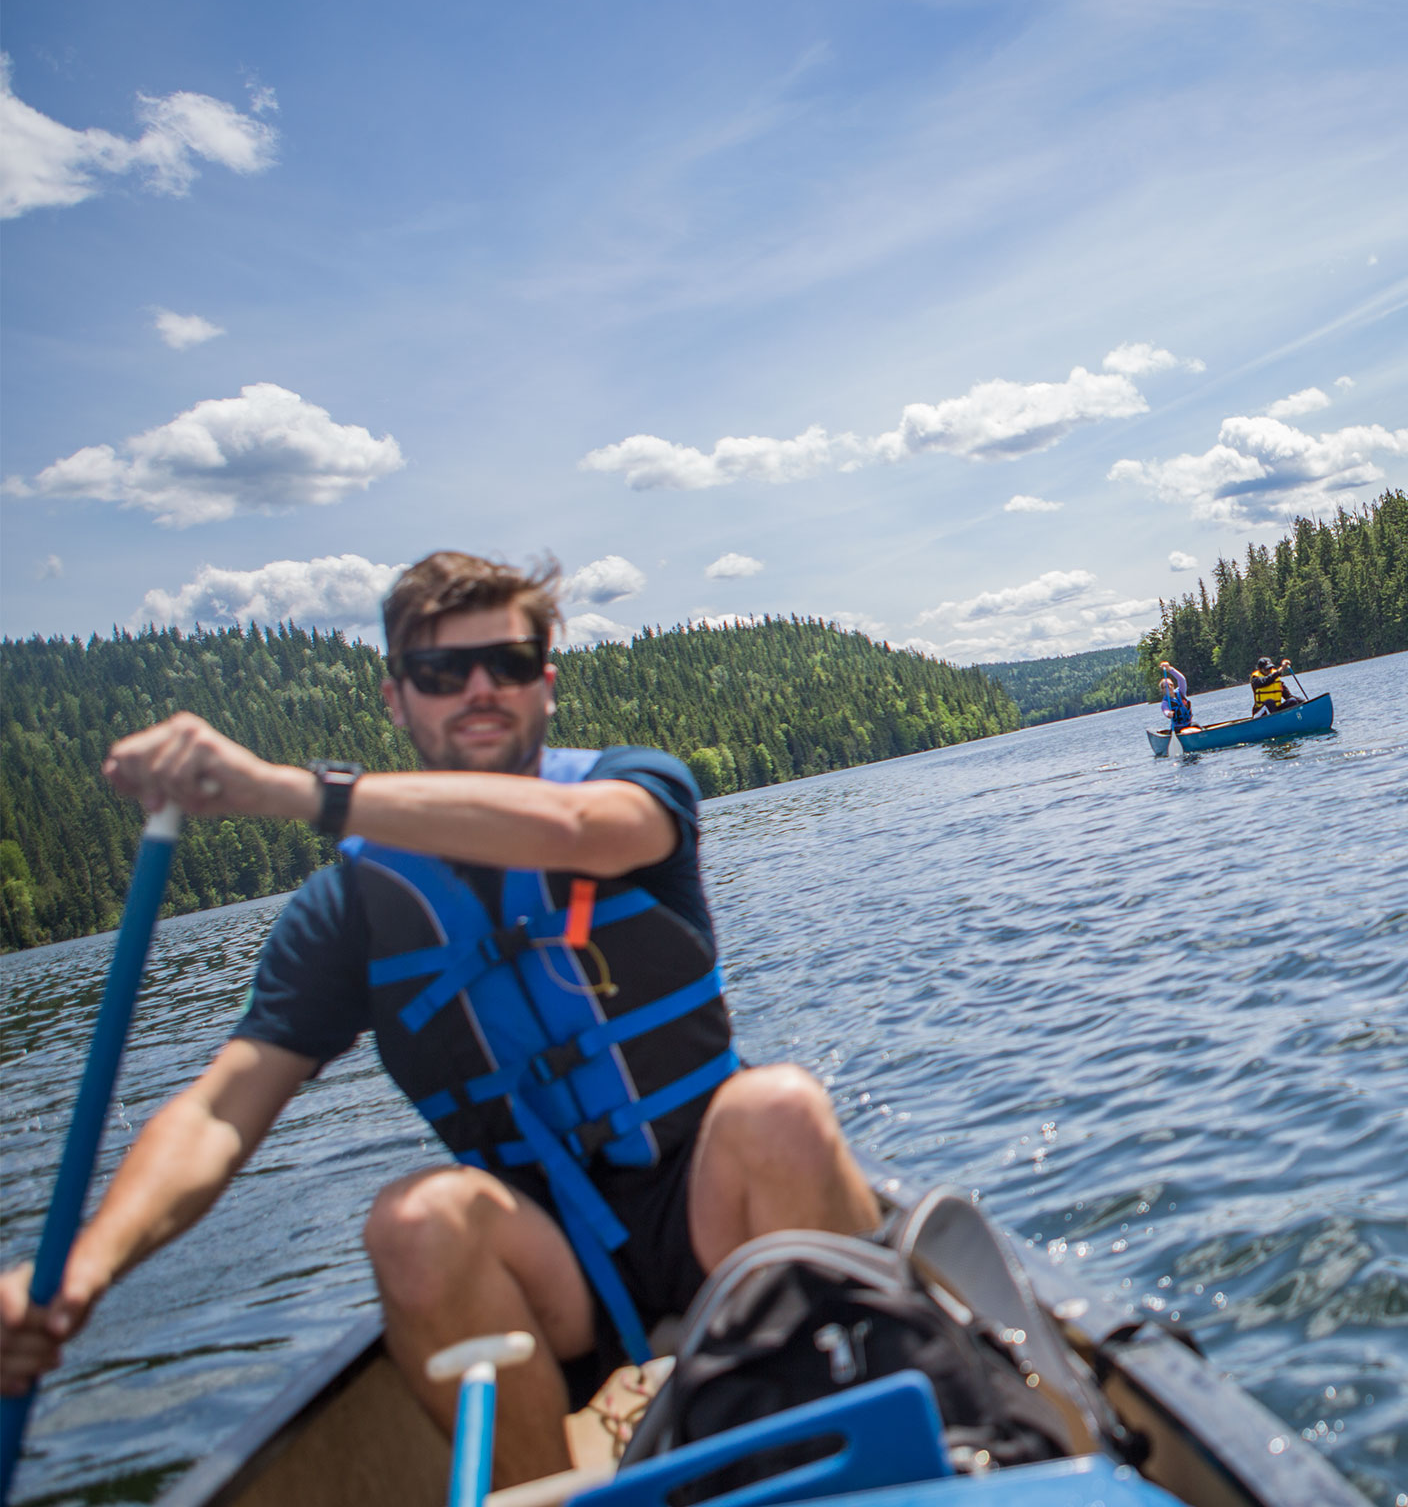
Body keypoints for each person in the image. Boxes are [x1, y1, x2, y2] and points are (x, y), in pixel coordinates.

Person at [0, 552, 879, 1489]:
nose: (478, 688)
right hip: (545, 1261)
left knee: (779, 1107)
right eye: (440, 670)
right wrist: (81, 1270)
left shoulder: (635, 786)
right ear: (396, 699)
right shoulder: (348, 914)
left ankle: (864, 1454)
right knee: (413, 1221)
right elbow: (221, 1109)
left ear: (546, 683)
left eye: (508, 662)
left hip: (711, 1206)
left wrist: (290, 790)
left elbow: (575, 832)